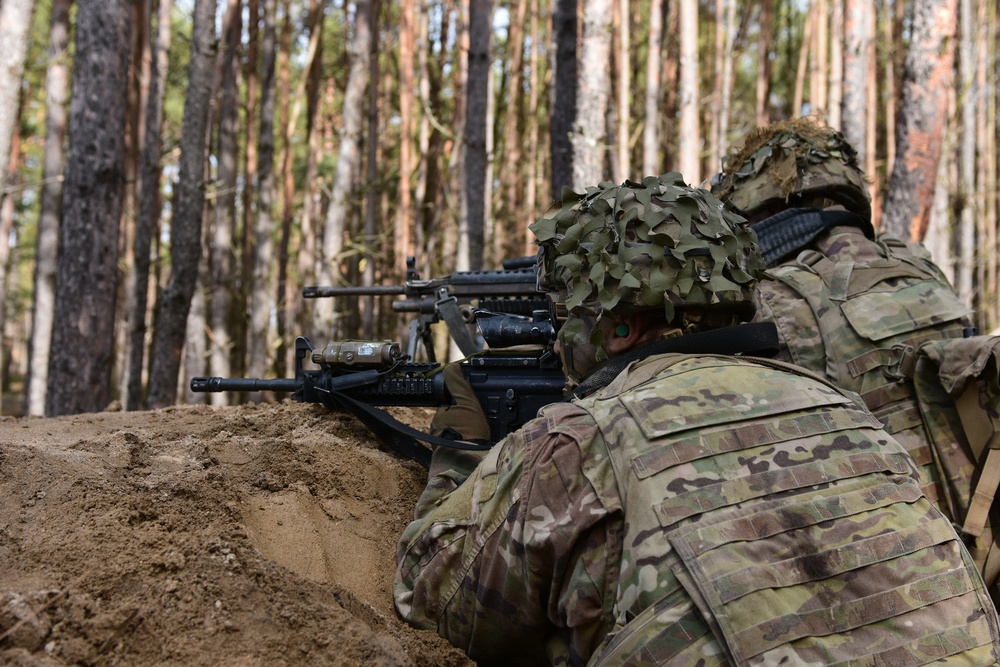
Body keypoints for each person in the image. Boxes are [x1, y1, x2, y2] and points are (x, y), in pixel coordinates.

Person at [393, 173, 1000, 666]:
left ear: (621, 327)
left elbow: (436, 600)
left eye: (565, 318)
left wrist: (463, 449)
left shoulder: (581, 442)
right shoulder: (846, 410)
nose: (557, 344)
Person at [709, 117, 999, 591]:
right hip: (976, 547)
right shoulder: (919, 265)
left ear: (755, 209)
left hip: (881, 576)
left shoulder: (772, 297)